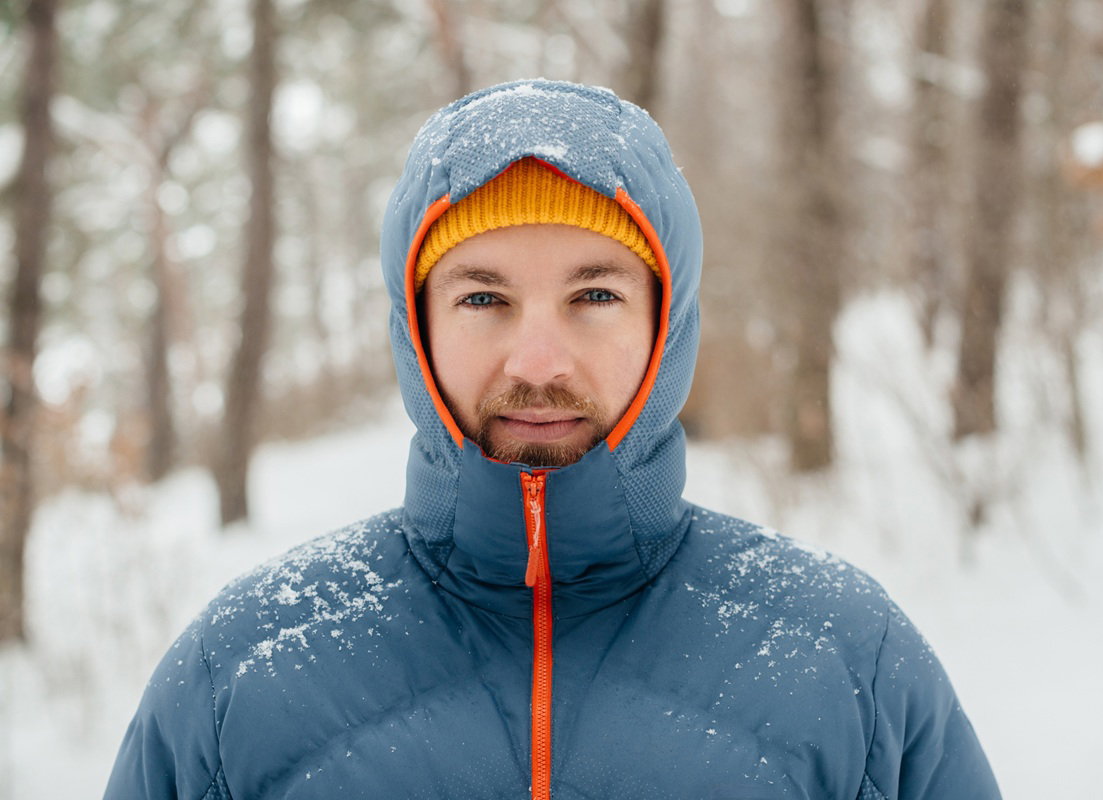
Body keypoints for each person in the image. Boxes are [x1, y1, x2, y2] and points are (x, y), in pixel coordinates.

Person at [105, 79, 1001, 800]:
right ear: (416, 327)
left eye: (595, 295)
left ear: (666, 323)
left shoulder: (845, 662)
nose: (538, 361)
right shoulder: (245, 674)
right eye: (483, 298)